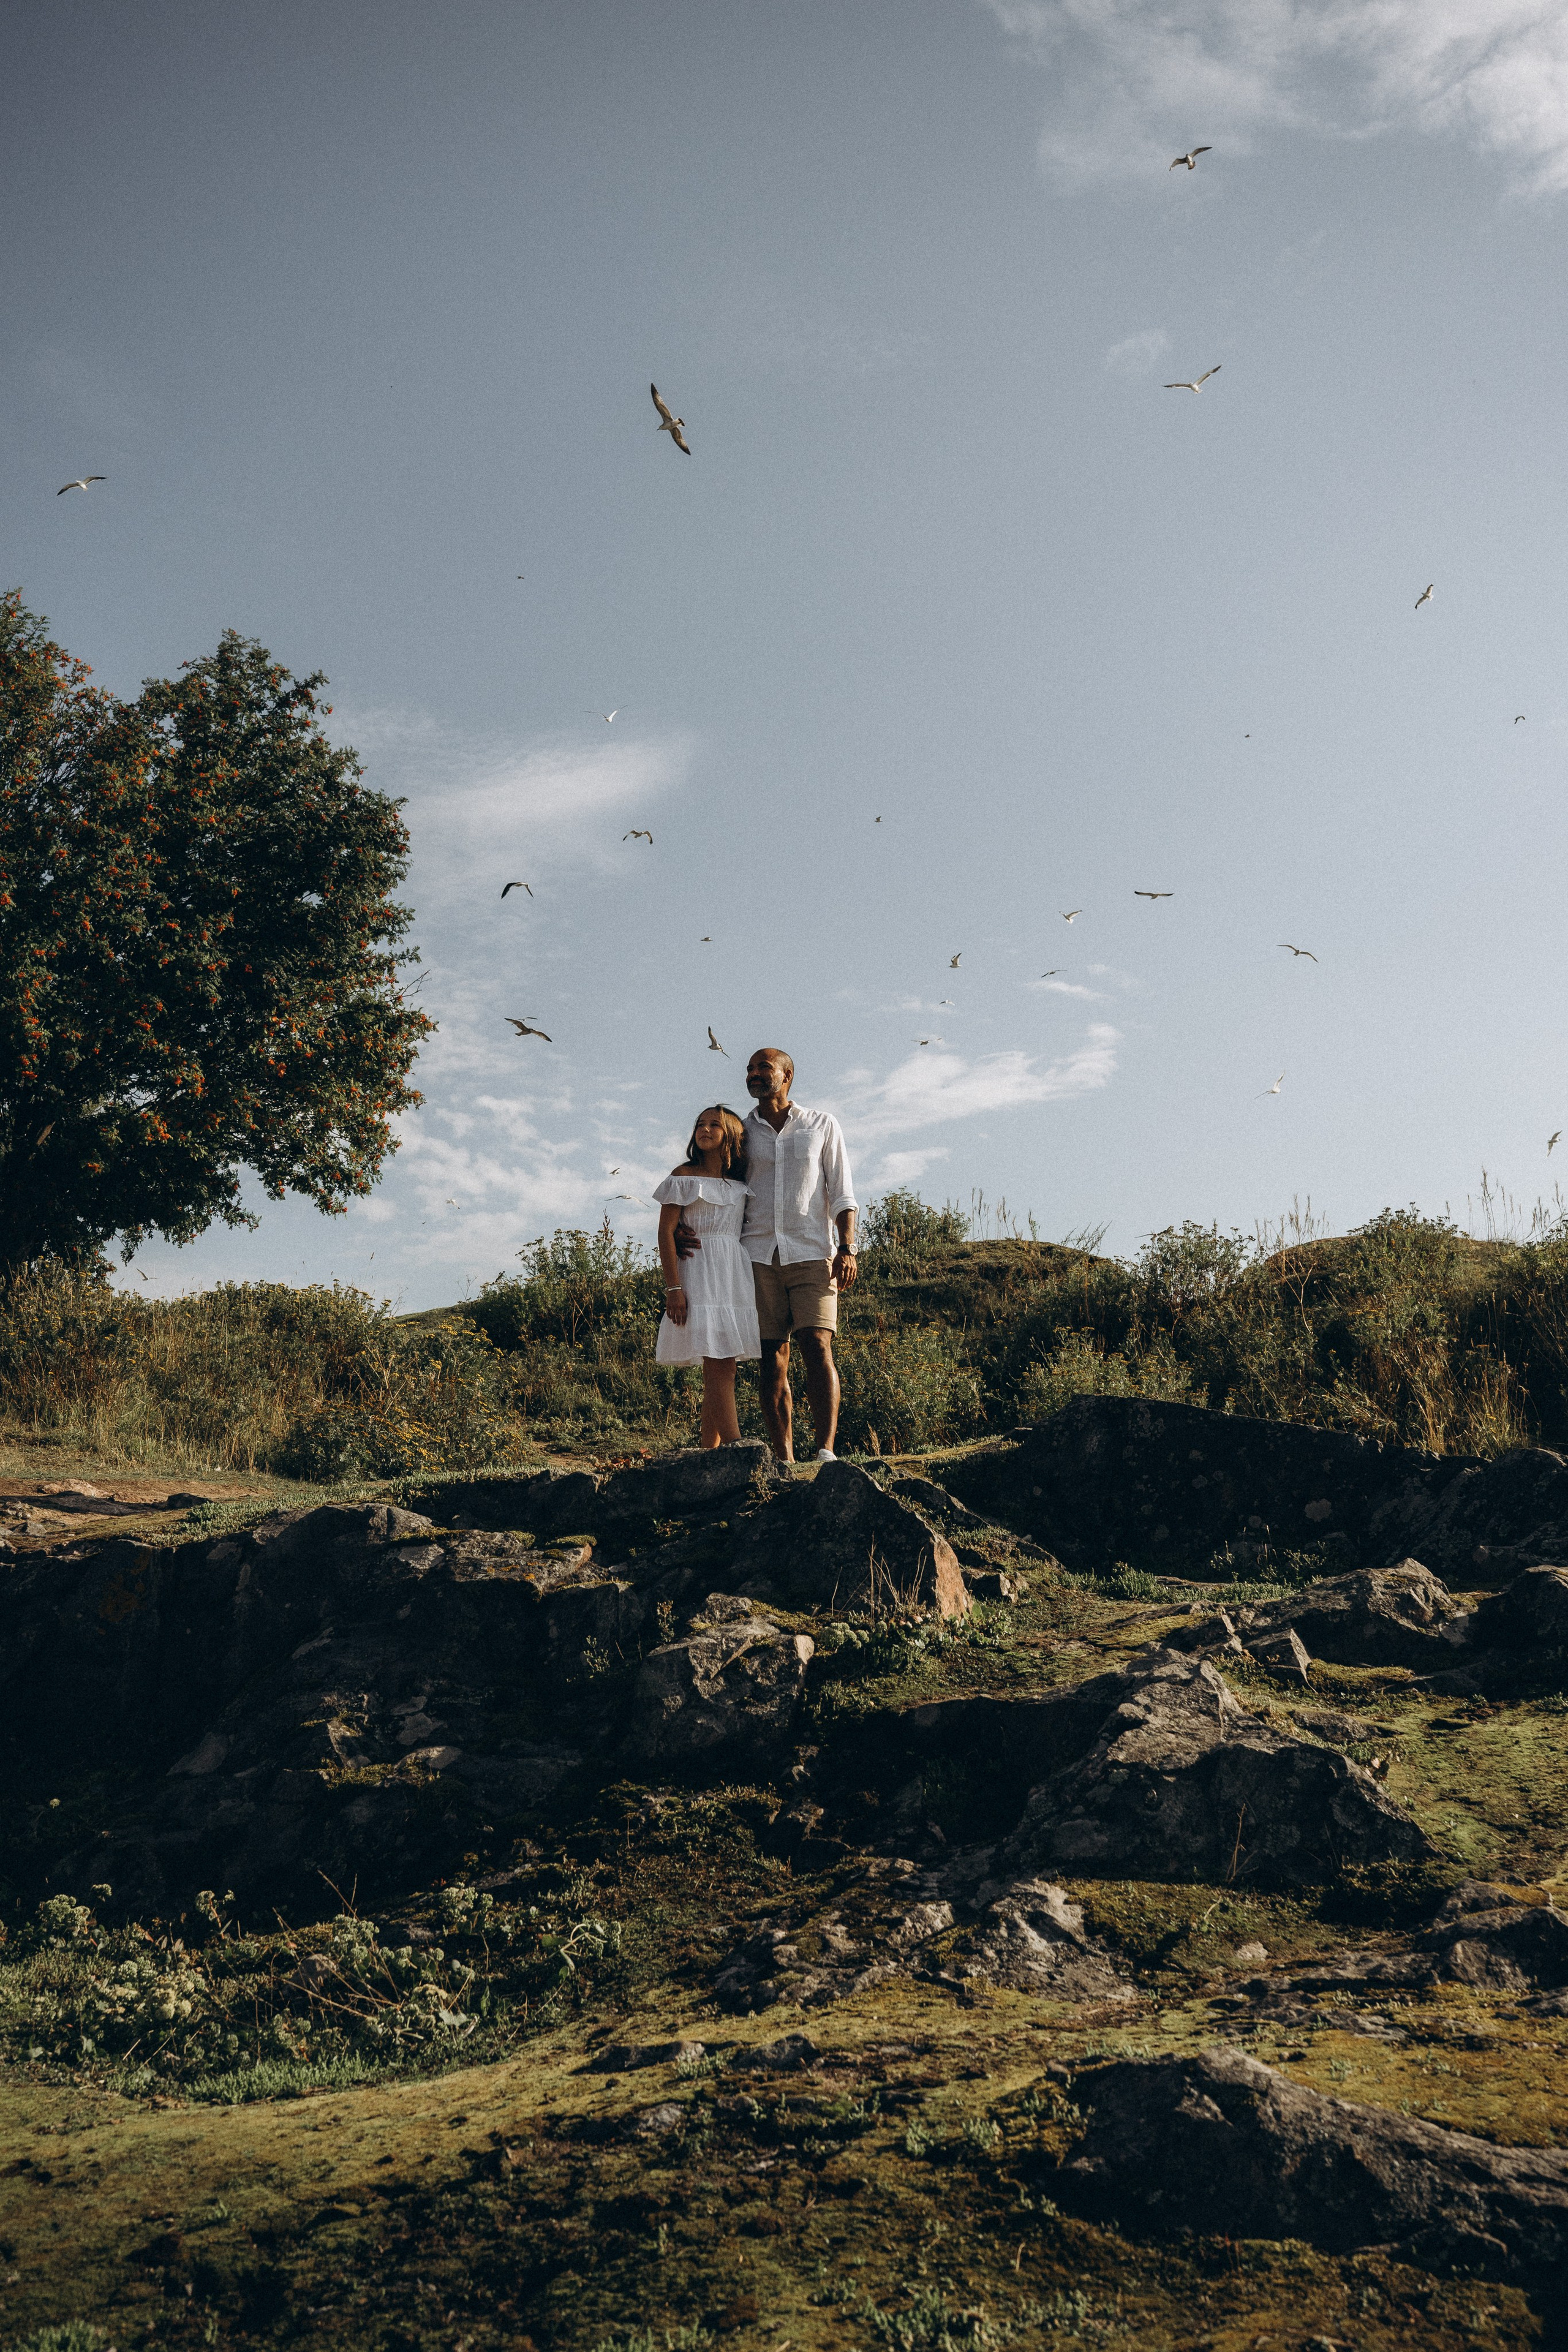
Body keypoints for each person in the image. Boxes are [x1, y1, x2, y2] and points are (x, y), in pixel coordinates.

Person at [676, 1047, 857, 1463]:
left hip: (815, 1252)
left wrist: (847, 1247)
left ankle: (826, 1451)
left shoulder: (822, 1125)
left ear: (787, 1074)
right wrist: (685, 1222)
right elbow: (715, 1177)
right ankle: (785, 1458)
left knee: (818, 1344)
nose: (754, 1074)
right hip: (755, 1256)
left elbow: (843, 1193)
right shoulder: (741, 1132)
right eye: (750, 1069)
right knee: (772, 1358)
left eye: (763, 1068)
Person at [654, 1104, 759, 1448]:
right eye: (701, 1124)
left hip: (732, 1273)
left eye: (715, 1124)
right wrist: (674, 1289)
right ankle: (736, 1448)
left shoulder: (739, 1183)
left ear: (731, 1134)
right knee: (718, 1364)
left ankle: (708, 1451)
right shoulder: (683, 1175)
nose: (705, 1129)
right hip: (698, 1271)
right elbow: (665, 1233)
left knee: (724, 1366)